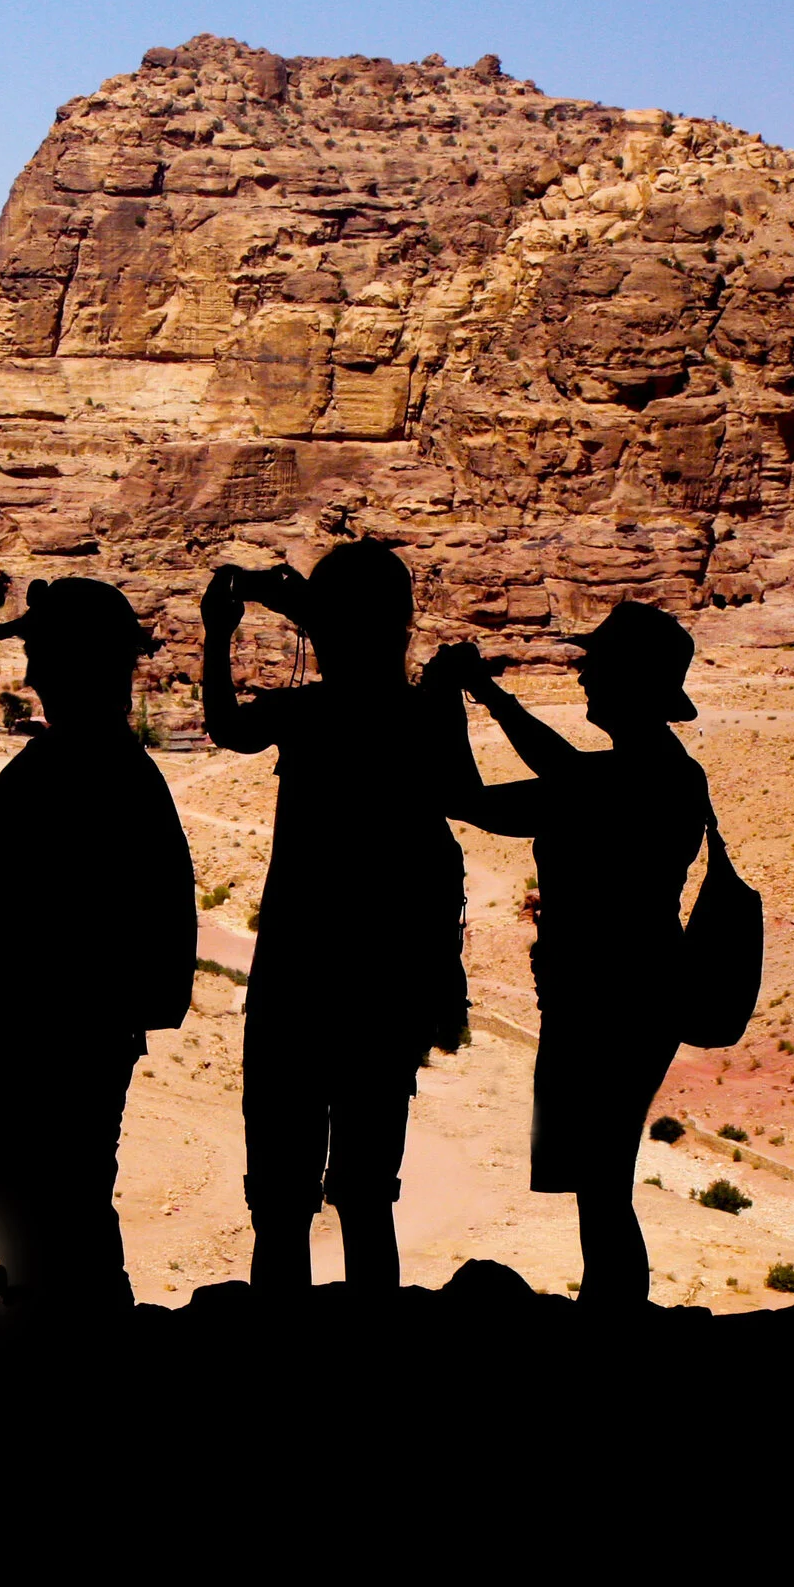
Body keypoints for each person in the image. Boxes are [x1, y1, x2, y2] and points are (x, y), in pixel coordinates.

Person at [0, 578, 196, 1312]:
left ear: (75, 662)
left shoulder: (71, 763)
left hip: (35, 1036)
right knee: (75, 1217)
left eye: (42, 654)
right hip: (85, 1034)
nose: (31, 675)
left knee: (40, 1233)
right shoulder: (104, 760)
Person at [201, 541, 471, 1293]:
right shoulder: (422, 714)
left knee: (281, 1199)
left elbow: (227, 726)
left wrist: (217, 634)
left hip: (297, 976)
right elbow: (462, 793)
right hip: (388, 982)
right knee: (367, 1194)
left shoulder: (310, 712)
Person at [430, 600, 711, 1308]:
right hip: (623, 1001)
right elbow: (479, 798)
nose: (584, 674)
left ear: (632, 681)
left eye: (599, 664)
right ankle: (610, 1313)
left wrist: (480, 695)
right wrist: (478, 698)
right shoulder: (662, 777)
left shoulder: (633, 782)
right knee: (602, 1183)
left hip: (608, 1007)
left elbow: (498, 791)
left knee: (604, 1184)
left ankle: (613, 1320)